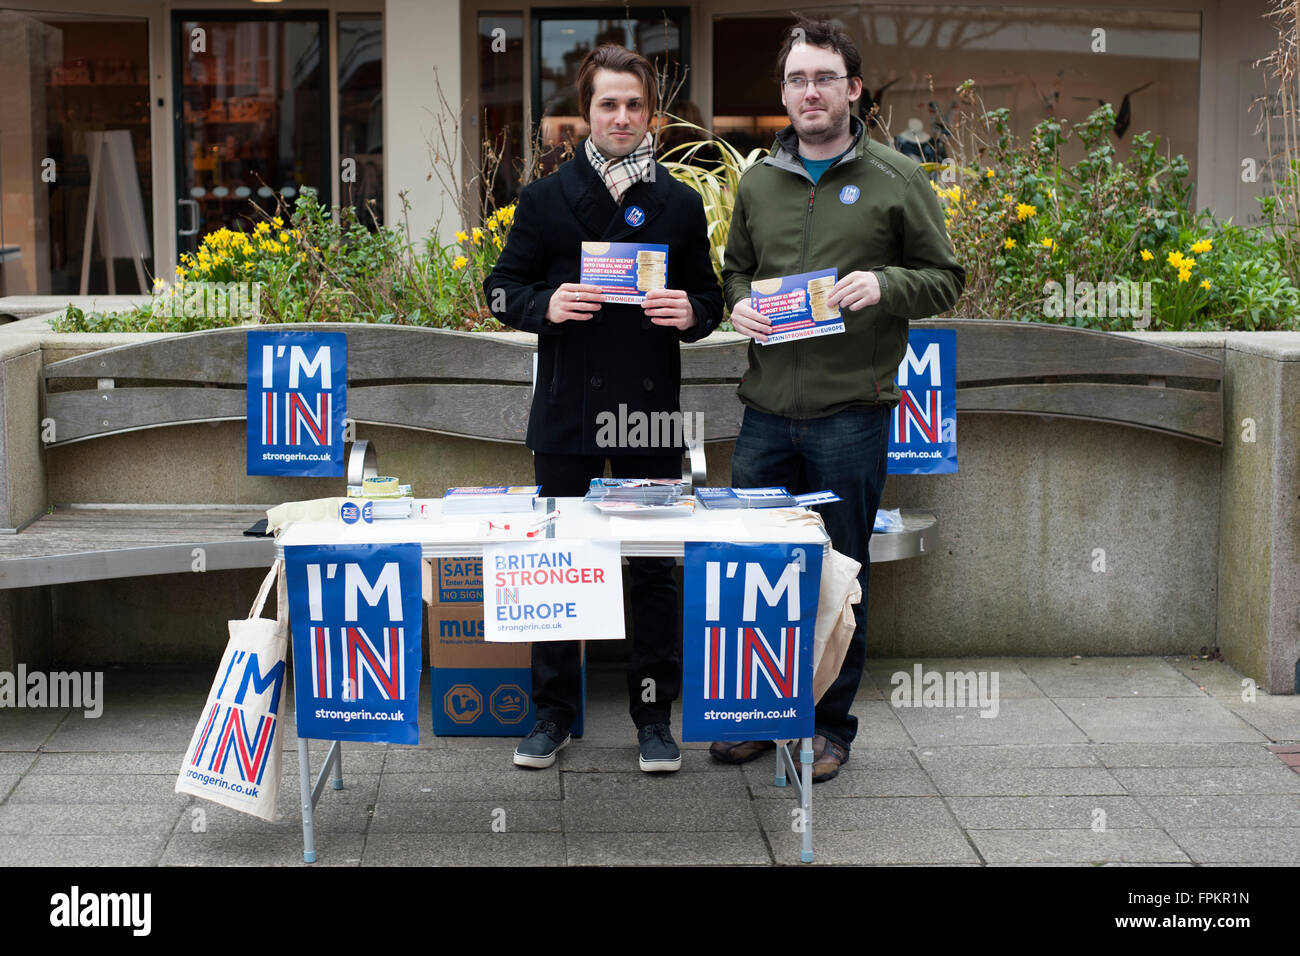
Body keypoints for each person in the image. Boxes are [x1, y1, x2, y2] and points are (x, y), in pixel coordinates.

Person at [711, 16, 965, 782]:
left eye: (824, 77)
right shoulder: (758, 182)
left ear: (853, 89)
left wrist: (883, 285)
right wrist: (738, 306)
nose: (810, 91)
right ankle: (756, 716)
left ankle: (830, 729)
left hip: (851, 416)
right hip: (765, 415)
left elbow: (946, 279)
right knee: (753, 571)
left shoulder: (897, 177)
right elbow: (736, 273)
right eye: (796, 79)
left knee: (838, 577)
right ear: (783, 93)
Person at [484, 44, 723, 774]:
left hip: (650, 416)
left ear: (650, 112)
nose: (621, 116)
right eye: (607, 103)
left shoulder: (679, 204)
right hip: (566, 414)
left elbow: (710, 300)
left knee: (651, 568)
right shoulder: (545, 198)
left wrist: (694, 311)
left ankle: (654, 719)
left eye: (633, 104)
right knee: (560, 563)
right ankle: (553, 715)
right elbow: (498, 291)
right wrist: (545, 304)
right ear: (585, 112)